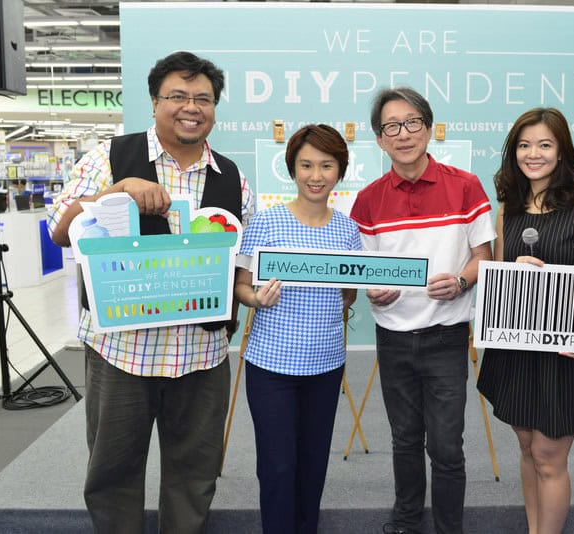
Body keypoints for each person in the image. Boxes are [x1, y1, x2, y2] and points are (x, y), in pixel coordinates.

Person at [47, 51, 255, 534]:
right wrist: (111, 194)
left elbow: (240, 256)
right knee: (113, 472)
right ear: (155, 101)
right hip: (122, 351)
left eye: (203, 98)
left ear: (214, 108)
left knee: (195, 474)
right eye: (177, 96)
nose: (191, 106)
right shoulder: (110, 157)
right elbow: (59, 230)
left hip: (202, 352)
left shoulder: (233, 177)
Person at [350, 87, 496, 534]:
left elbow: (484, 256)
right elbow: (365, 269)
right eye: (391, 126)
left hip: (446, 336)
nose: (404, 133)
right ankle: (407, 520)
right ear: (379, 140)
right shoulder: (368, 199)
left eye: (412, 122)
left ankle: (450, 527)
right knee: (405, 439)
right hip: (393, 339)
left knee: (448, 446)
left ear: (429, 129)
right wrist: (373, 288)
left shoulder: (465, 186)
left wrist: (463, 280)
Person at [477, 107, 574, 534]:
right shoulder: (508, 208)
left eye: (544, 145)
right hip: (517, 348)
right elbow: (499, 278)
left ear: (562, 152)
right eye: (524, 145)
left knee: (549, 456)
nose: (532, 154)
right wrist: (512, 267)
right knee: (526, 447)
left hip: (566, 354)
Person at [234, 124, 361, 534]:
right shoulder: (266, 223)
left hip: (325, 366)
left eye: (326, 165)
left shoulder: (347, 230)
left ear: (339, 171)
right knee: (277, 465)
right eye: (306, 164)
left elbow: (349, 293)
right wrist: (256, 298)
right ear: (292, 169)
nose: (315, 175)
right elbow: (239, 285)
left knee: (313, 464)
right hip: (271, 366)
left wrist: (355, 292)